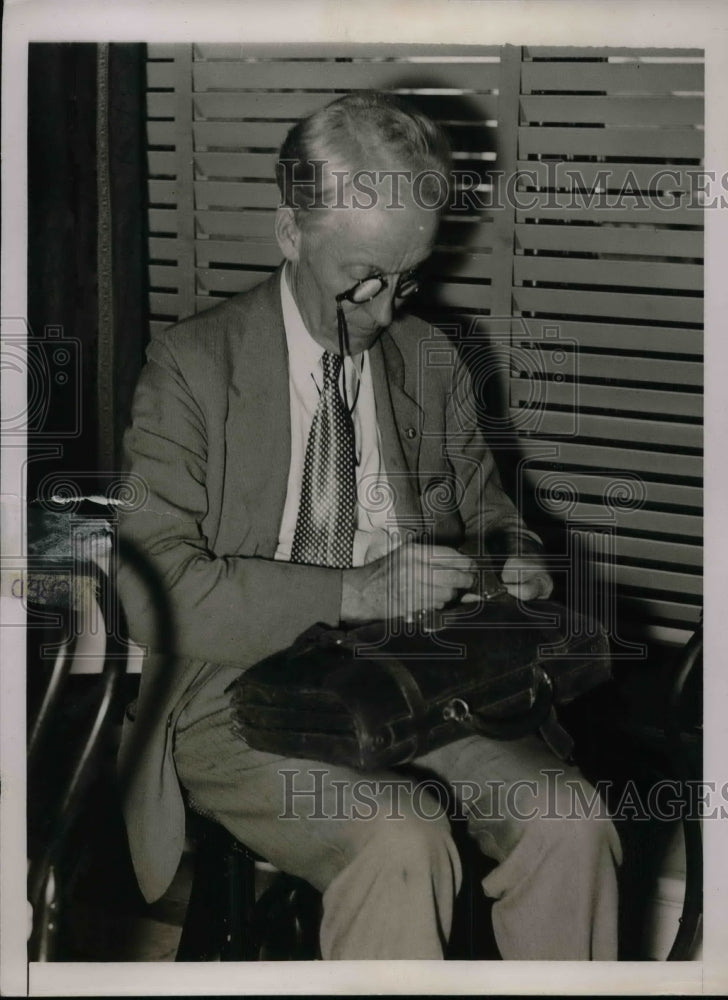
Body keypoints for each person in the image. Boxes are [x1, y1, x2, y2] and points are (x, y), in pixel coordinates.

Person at [117, 91, 621, 960]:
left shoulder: (432, 358)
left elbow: (490, 514)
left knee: (572, 820)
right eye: (362, 282)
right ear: (290, 233)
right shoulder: (192, 368)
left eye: (406, 279)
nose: (386, 313)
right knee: (400, 840)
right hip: (241, 693)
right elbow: (150, 584)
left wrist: (513, 562)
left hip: (421, 682)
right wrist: (352, 590)